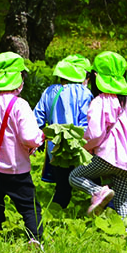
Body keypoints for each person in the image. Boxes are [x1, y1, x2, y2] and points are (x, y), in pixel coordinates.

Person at [69, 51, 127, 222]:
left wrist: (85, 148)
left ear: (96, 76)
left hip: (107, 158)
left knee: (74, 176)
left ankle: (97, 191)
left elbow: (95, 133)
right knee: (121, 199)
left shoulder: (100, 101)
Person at [0, 52, 45, 245]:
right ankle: (36, 239)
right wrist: (40, 138)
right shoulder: (19, 105)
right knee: (29, 206)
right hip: (15, 167)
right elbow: (29, 136)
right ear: (18, 79)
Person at [34, 54, 94, 208]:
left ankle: (55, 215)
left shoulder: (50, 91)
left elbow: (38, 118)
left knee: (62, 188)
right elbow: (87, 122)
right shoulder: (84, 93)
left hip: (56, 149)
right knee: (91, 182)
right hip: (79, 149)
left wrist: (39, 138)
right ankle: (96, 209)